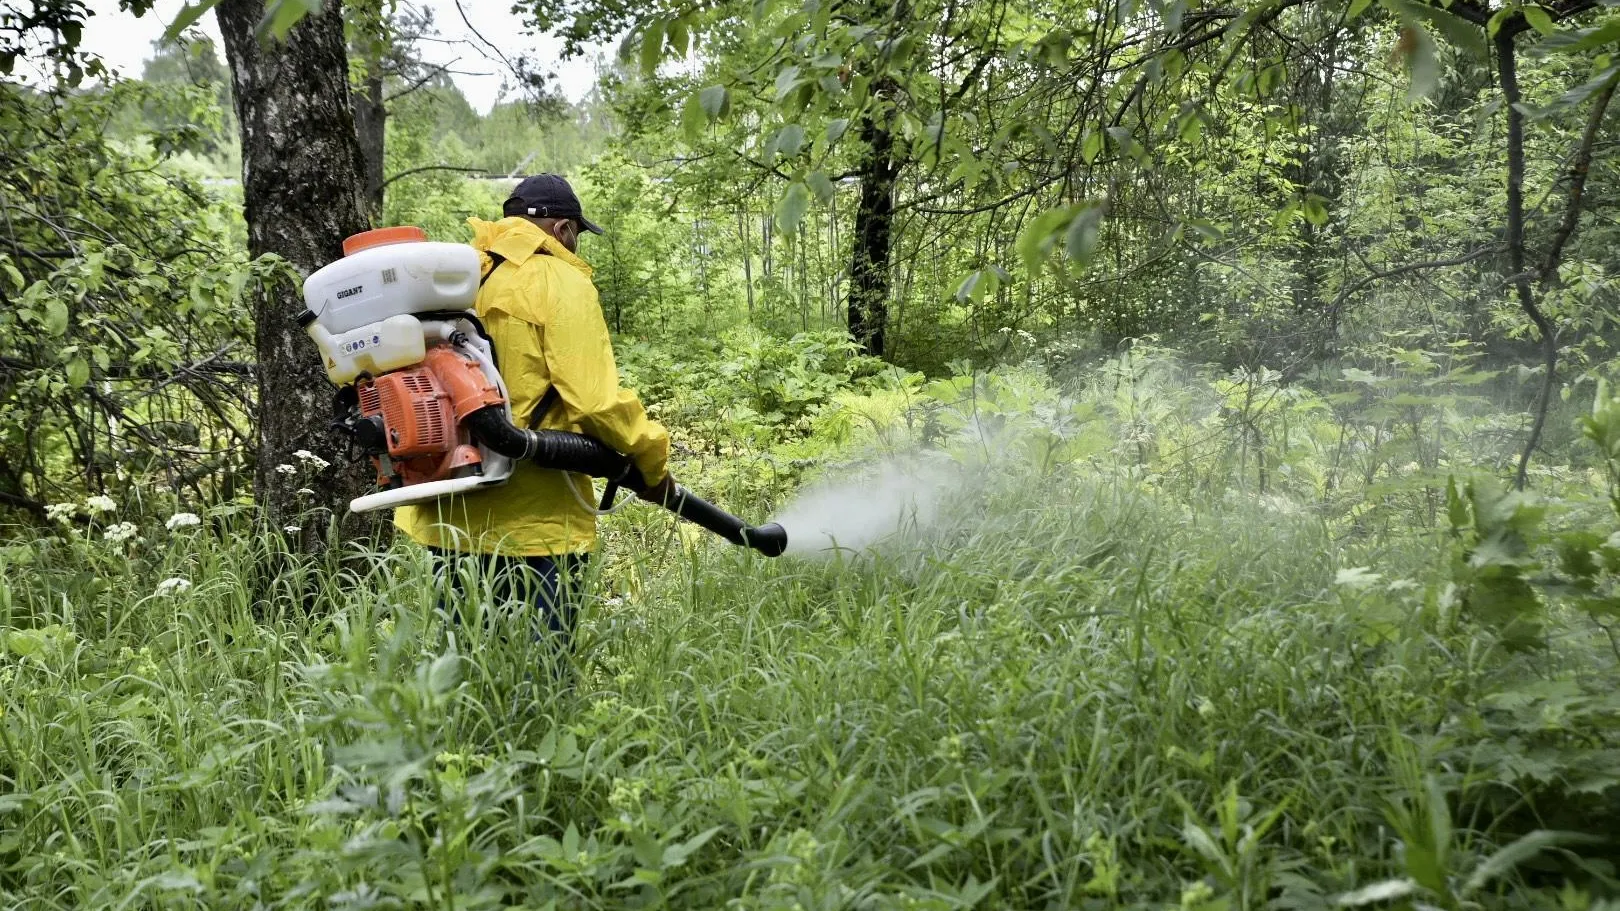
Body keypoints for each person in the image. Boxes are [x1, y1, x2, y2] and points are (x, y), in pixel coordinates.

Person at [393, 173, 675, 676]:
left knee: (467, 674)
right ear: (564, 229)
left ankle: (465, 752)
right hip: (538, 518)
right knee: (540, 676)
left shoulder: (457, 278)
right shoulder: (558, 281)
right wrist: (651, 461)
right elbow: (595, 402)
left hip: (448, 511)